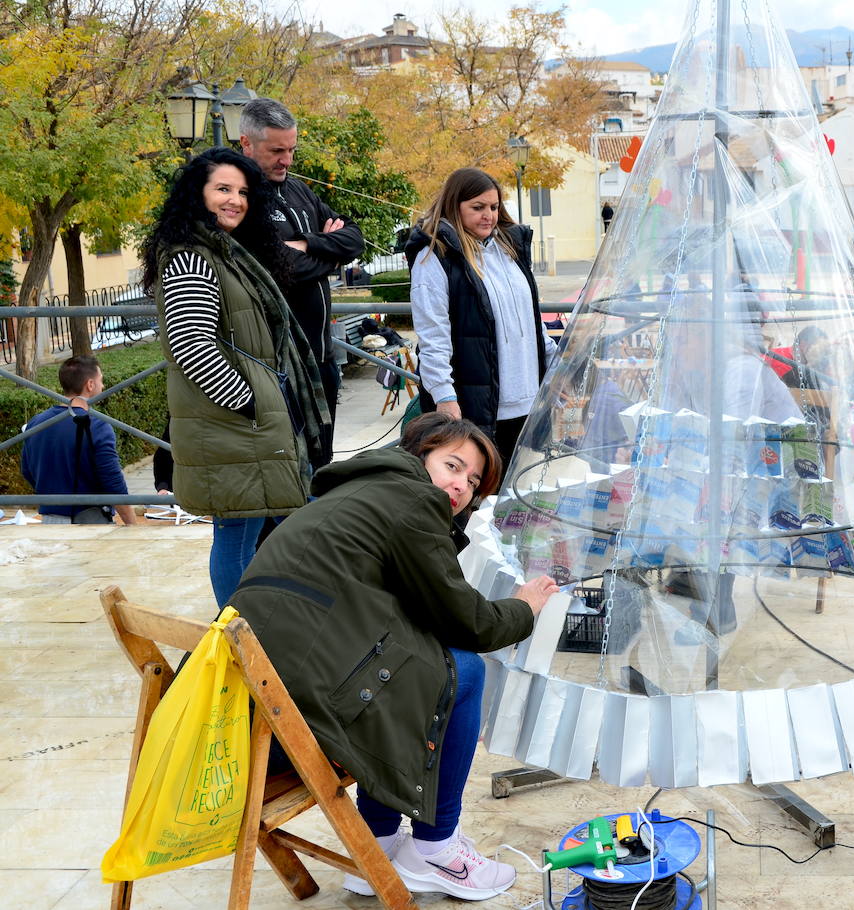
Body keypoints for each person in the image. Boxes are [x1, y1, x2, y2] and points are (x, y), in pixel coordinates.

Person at [230, 414, 559, 901]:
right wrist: (525, 606)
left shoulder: (358, 491)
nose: (460, 486)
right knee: (462, 671)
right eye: (452, 465)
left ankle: (376, 847)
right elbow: (470, 623)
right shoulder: (411, 500)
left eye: (472, 482)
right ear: (419, 453)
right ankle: (435, 847)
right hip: (294, 723)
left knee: (411, 669)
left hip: (243, 718)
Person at [143, 146, 329, 606]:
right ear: (196, 195)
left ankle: (258, 626)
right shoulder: (191, 258)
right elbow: (192, 344)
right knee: (236, 533)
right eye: (222, 189)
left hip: (247, 420)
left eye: (243, 192)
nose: (235, 200)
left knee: (255, 530)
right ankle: (238, 636)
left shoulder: (226, 252)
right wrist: (247, 403)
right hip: (233, 422)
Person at [240, 97, 365, 467]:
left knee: (320, 468)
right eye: (276, 150)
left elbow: (354, 238)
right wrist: (328, 254)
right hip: (280, 365)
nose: (287, 160)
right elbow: (279, 267)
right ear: (246, 143)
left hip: (322, 359)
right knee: (287, 472)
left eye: (292, 149)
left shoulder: (298, 190)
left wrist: (307, 244)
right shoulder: (238, 198)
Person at [406, 167, 557, 473]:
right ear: (454, 206)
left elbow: (531, 320)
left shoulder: (509, 249)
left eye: (493, 206)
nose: (488, 215)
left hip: (527, 401)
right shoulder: (434, 257)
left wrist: (559, 362)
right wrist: (445, 397)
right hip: (473, 407)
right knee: (476, 501)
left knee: (518, 499)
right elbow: (433, 335)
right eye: (477, 207)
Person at [20, 355, 137, 526]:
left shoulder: (36, 422)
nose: (103, 386)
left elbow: (27, 470)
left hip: (49, 522)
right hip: (89, 521)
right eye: (101, 380)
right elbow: (113, 483)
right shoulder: (96, 426)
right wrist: (132, 525)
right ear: (90, 384)